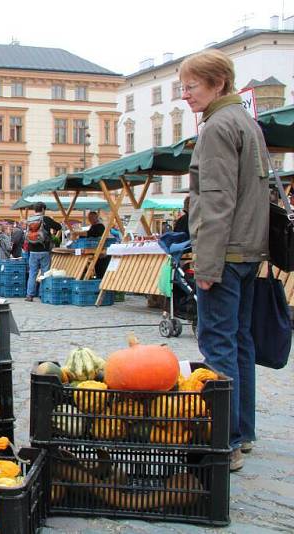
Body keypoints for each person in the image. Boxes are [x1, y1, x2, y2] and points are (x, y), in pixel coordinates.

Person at [181, 49, 269, 471]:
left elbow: (216, 201)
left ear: (218, 84)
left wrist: (207, 265)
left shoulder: (216, 127)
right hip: (250, 249)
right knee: (240, 343)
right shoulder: (248, 123)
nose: (185, 95)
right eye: (182, 86)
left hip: (227, 251)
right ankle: (244, 432)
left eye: (191, 86)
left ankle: (226, 441)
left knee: (217, 345)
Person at [24, 202, 62, 301]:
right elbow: (58, 227)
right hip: (44, 250)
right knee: (44, 273)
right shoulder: (46, 219)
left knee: (32, 273)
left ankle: (29, 295)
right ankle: (42, 294)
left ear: (35, 210)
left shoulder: (30, 219)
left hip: (32, 251)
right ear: (43, 210)